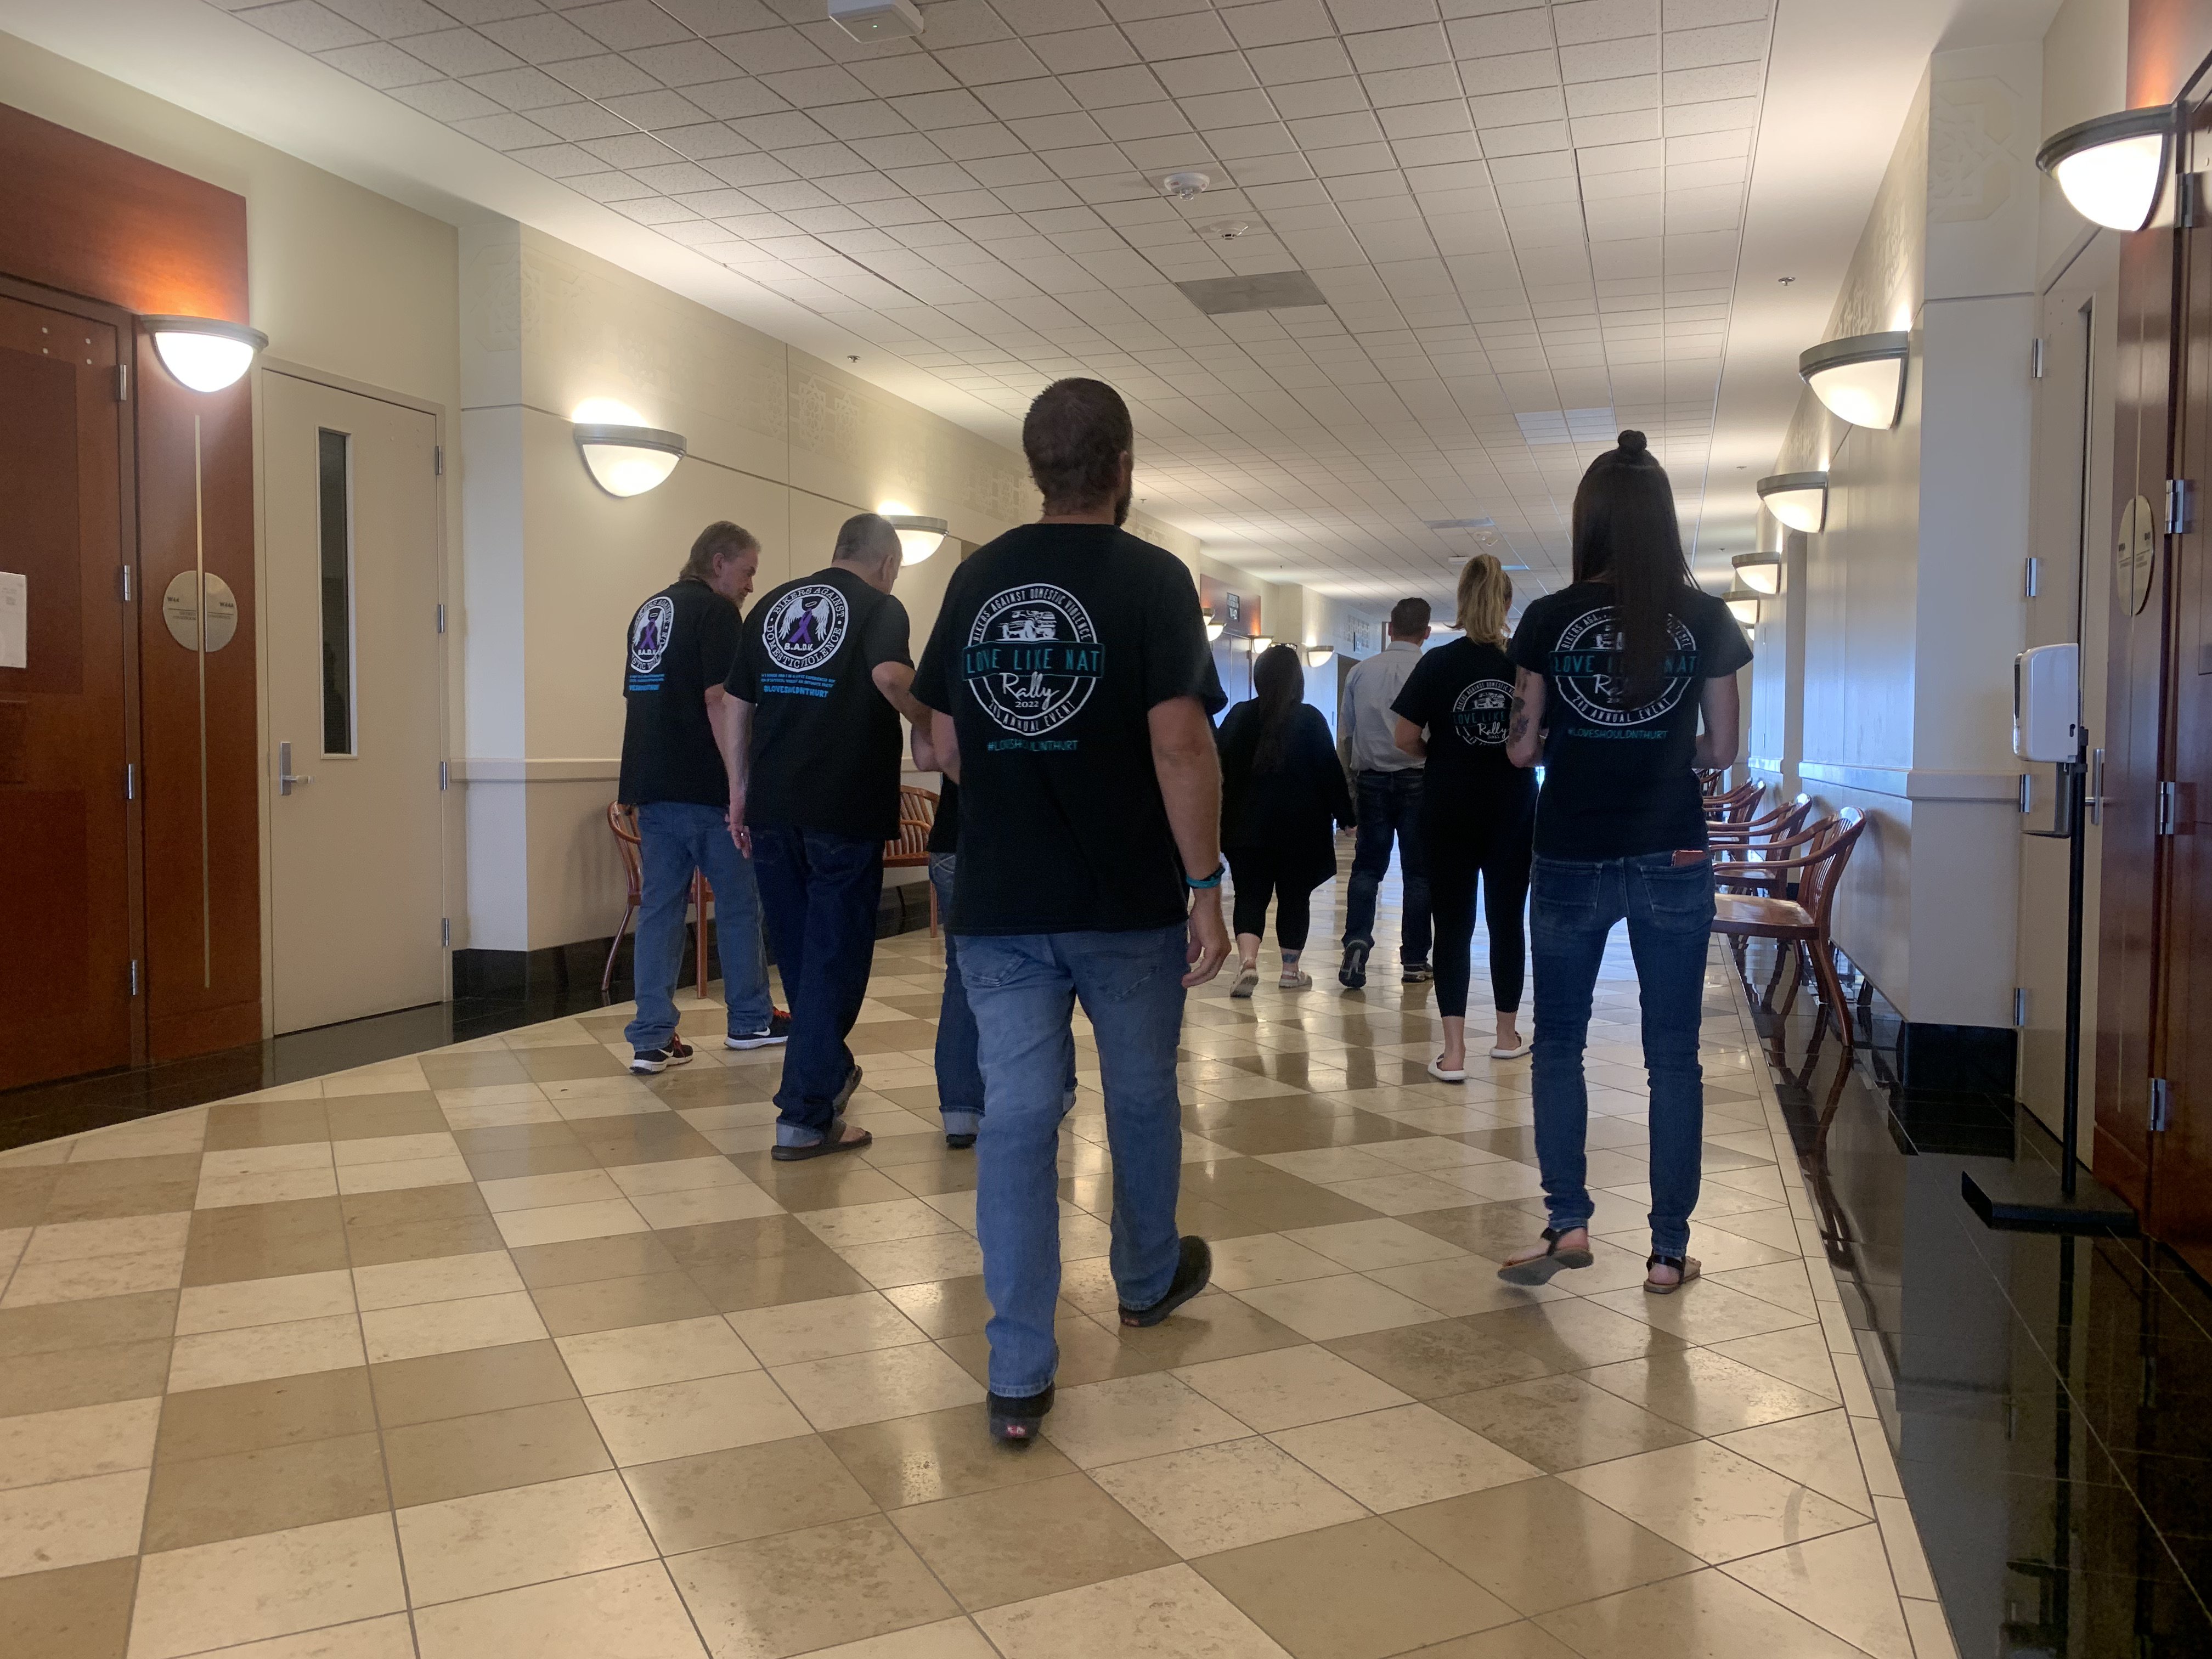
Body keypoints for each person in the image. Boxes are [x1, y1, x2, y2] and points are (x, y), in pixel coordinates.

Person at [913, 377, 1229, 1446]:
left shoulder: (979, 578)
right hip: (1128, 901)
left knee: (1015, 1116)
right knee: (1139, 1095)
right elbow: (1180, 742)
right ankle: (1144, 1278)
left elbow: (943, 743)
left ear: (1035, 467)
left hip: (1002, 901)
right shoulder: (1152, 581)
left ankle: (1017, 1372)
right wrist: (1204, 887)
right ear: (1126, 468)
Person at [1495, 430, 1751, 1296]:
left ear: (1590, 523)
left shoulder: (1547, 618)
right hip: (1672, 850)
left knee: (1558, 1042)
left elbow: (1521, 752)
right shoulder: (1709, 619)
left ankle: (1568, 1223)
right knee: (1672, 1055)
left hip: (1569, 849)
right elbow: (1723, 749)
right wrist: (1660, 741)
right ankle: (1668, 1253)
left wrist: (1557, 727)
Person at [725, 513, 935, 1160]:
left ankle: (831, 1071)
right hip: (842, 807)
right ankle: (804, 1115)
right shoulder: (881, 606)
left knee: (796, 953)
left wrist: (738, 790)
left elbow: (738, 703)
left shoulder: (776, 605)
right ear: (887, 562)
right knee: (834, 960)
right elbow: (891, 678)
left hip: (772, 805)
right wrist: (935, 722)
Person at [618, 521, 785, 1074]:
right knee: (739, 903)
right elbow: (719, 700)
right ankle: (750, 1020)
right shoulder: (716, 614)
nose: (750, 585)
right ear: (719, 562)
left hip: (653, 785)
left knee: (661, 910)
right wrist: (739, 783)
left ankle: (651, 1036)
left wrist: (630, 786)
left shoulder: (651, 612)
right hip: (704, 786)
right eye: (747, 571)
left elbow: (640, 701)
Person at [1391, 553, 1536, 1079]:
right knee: (1505, 921)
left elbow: (1404, 737)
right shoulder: (1522, 665)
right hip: (1511, 808)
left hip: (1447, 805)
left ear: (1459, 602)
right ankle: (1505, 1035)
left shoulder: (1437, 663)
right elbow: (1538, 741)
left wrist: (1442, 754)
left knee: (1451, 924)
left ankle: (1453, 1053)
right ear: (1506, 603)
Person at [1216, 643, 1355, 997]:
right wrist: (1347, 817)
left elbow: (1218, 770)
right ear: (1298, 681)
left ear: (1258, 677)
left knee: (1249, 895)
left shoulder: (1238, 717)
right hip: (1301, 831)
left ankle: (1248, 963)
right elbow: (1330, 772)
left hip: (1244, 829)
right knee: (1295, 898)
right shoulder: (1309, 719)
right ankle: (1290, 972)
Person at [1338, 597, 1435, 988]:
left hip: (1371, 780)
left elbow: (1347, 733)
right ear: (1427, 633)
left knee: (1366, 869)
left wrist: (1348, 792)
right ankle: (1414, 960)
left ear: (1389, 628)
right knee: (1418, 874)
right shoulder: (1430, 669)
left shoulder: (1360, 672)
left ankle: (1357, 940)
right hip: (1419, 780)